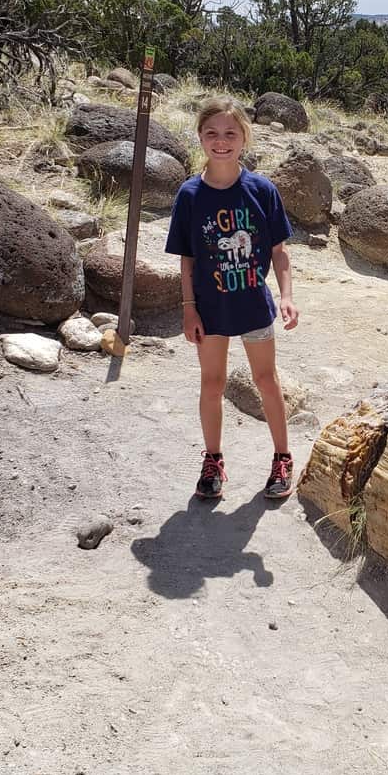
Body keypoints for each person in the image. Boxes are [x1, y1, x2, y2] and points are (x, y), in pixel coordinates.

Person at [164, 97, 300, 500]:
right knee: (212, 382)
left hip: (254, 305)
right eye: (212, 133)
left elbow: (279, 251)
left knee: (266, 380)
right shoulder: (189, 195)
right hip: (211, 308)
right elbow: (187, 260)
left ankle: (282, 457)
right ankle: (213, 461)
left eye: (230, 133)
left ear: (244, 137)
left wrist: (287, 296)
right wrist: (188, 311)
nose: (220, 141)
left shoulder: (262, 189)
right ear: (200, 138)